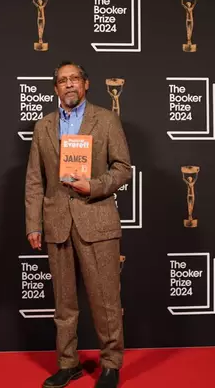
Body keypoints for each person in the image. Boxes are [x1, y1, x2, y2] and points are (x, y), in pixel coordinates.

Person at [25, 61, 131, 388]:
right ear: (55, 88)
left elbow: (123, 168)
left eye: (74, 79)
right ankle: (67, 363)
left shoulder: (106, 120)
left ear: (85, 84)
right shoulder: (43, 127)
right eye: (62, 80)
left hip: (96, 220)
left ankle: (110, 364)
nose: (68, 84)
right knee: (64, 302)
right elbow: (34, 181)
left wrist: (95, 185)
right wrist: (34, 224)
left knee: (106, 300)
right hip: (58, 224)